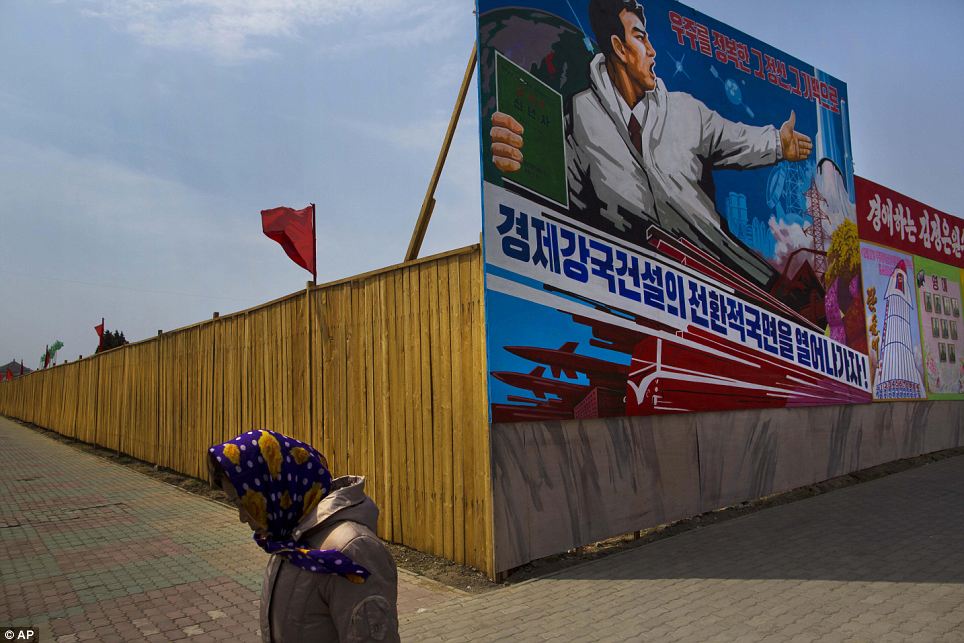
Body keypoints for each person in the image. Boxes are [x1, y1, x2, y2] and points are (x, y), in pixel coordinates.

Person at [490, 0, 813, 287]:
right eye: (641, 38)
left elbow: (733, 137)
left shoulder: (685, 111)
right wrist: (521, 166)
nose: (652, 50)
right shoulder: (579, 120)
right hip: (646, 297)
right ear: (619, 47)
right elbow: (561, 207)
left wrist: (777, 143)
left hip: (736, 283)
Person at [209, 430, 399, 643]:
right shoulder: (290, 536)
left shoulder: (351, 549)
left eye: (247, 503)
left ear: (278, 488)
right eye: (237, 504)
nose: (243, 518)